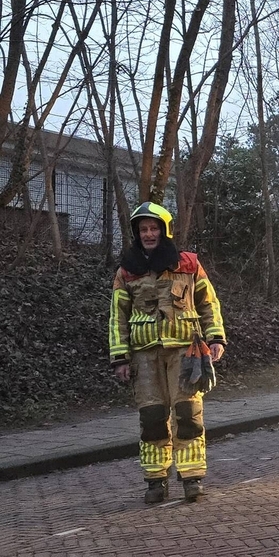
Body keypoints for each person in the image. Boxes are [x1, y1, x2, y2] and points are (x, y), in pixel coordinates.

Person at [108, 202, 226, 504]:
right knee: (152, 418)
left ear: (164, 230)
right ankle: (155, 480)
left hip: (186, 353)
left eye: (153, 228)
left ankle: (192, 477)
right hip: (144, 356)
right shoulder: (126, 271)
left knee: (188, 414)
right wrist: (120, 358)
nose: (148, 234)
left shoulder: (188, 264)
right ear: (137, 233)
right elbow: (117, 316)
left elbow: (208, 303)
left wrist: (215, 338)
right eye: (143, 229)